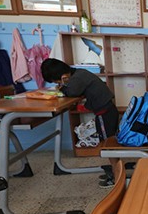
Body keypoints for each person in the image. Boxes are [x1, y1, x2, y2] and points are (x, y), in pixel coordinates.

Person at [41, 58, 119, 187]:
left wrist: (62, 87)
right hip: (106, 111)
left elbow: (72, 92)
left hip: (105, 114)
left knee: (107, 145)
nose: (58, 84)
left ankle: (117, 176)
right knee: (107, 143)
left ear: (63, 76)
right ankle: (115, 168)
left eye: (57, 81)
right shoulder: (79, 73)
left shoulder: (77, 78)